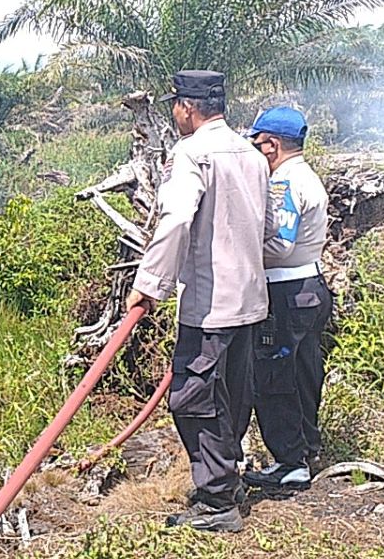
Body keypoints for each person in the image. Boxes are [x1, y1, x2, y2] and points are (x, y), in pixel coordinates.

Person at [125, 70, 269, 534]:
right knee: (232, 394)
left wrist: (150, 283)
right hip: (249, 298)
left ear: (187, 107)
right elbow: (263, 228)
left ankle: (216, 501)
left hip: (211, 305)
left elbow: (176, 219)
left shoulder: (191, 153)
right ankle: (229, 481)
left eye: (175, 106)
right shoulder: (252, 154)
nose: (174, 113)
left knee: (193, 399)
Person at [244, 106, 333, 491]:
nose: (254, 150)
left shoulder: (282, 182)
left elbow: (280, 242)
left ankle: (289, 462)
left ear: (272, 144)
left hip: (284, 292)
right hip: (309, 287)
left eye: (256, 142)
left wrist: (241, 254)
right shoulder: (306, 175)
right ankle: (307, 449)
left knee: (273, 376)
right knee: (304, 373)